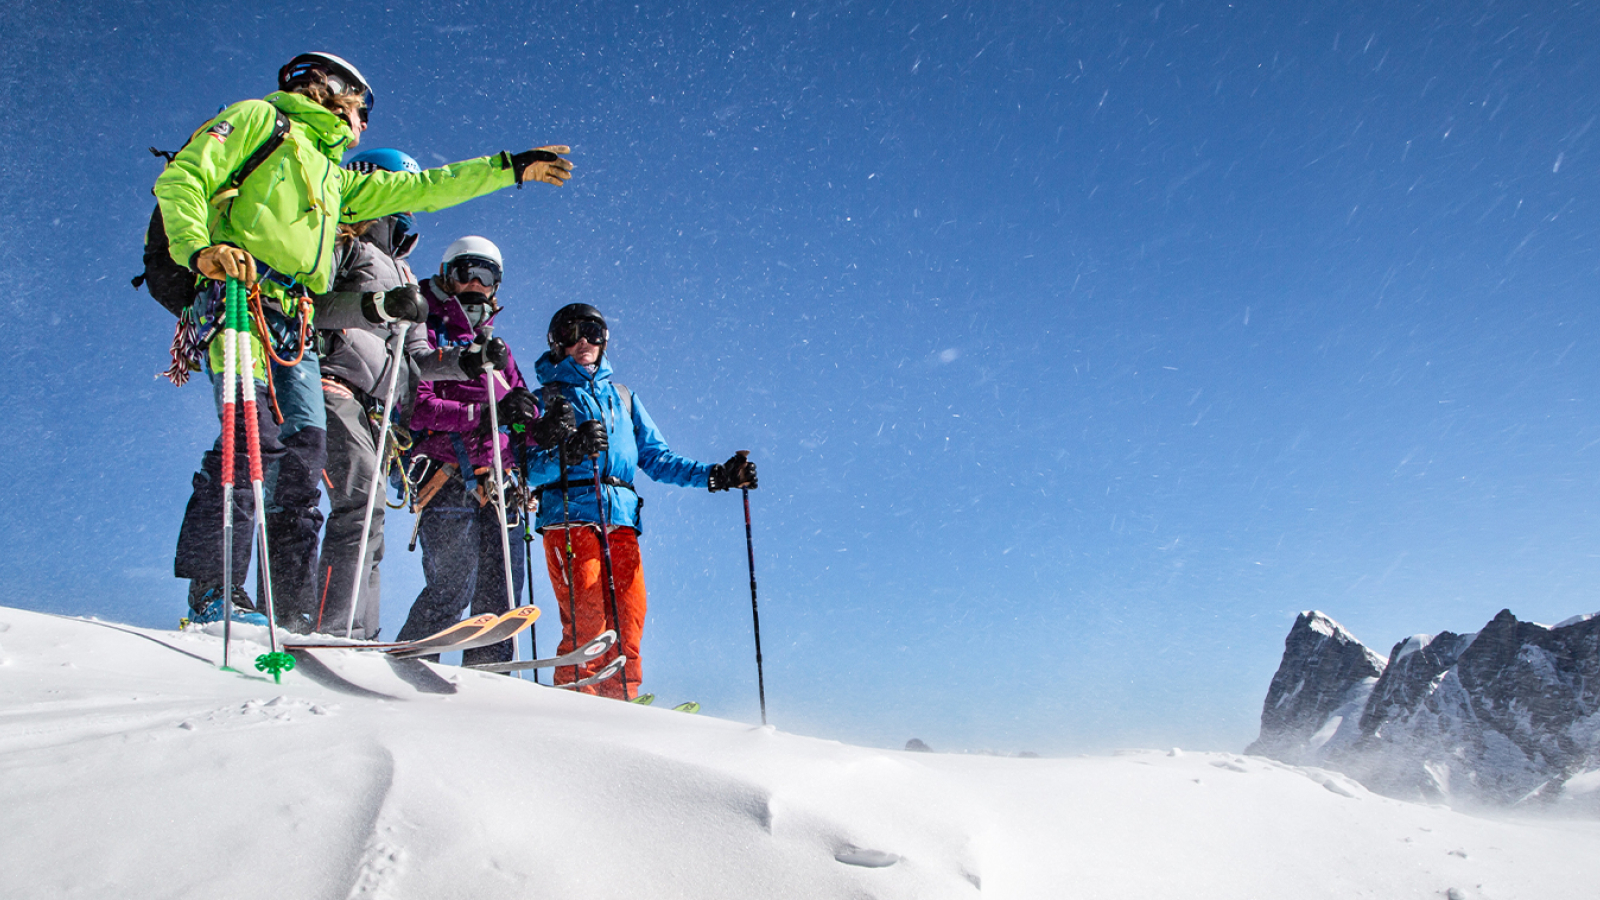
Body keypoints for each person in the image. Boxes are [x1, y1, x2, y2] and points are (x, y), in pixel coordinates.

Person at [158, 51, 573, 627]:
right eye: (362, 105)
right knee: (252, 441)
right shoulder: (259, 119)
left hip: (294, 320)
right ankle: (213, 593)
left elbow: (427, 186)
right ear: (332, 88)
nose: (363, 119)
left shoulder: (334, 179)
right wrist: (197, 247)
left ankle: (292, 612)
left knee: (300, 458)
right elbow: (183, 176)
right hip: (240, 295)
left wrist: (507, 168)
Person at [528, 303, 757, 700]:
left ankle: (621, 700)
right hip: (569, 517)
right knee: (588, 620)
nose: (583, 341)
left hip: (621, 520)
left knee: (629, 617)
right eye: (571, 332)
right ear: (556, 343)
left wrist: (716, 476)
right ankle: (576, 701)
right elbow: (527, 469)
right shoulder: (543, 399)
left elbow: (657, 458)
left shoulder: (624, 398)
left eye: (593, 331)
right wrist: (569, 453)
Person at [308, 148, 479, 638]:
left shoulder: (405, 272)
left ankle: (362, 633)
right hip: (336, 385)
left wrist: (464, 362)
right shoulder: (344, 244)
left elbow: (420, 361)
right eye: (399, 190)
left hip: (380, 412)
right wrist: (376, 307)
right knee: (359, 508)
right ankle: (331, 628)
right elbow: (311, 308)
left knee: (371, 521)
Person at [397, 236, 540, 665]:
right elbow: (416, 408)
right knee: (452, 585)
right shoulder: (427, 331)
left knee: (500, 597)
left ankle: (488, 684)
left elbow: (520, 414)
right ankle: (410, 663)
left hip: (500, 484)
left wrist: (542, 425)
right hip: (445, 475)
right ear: (447, 277)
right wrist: (483, 412)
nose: (476, 284)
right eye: (466, 272)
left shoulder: (499, 348)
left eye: (487, 275)